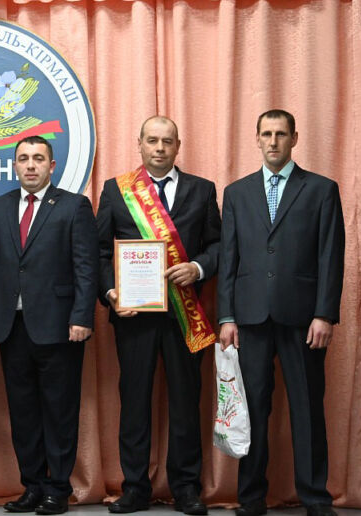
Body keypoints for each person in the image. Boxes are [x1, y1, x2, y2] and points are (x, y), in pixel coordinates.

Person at [218, 110, 344, 516]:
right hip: (250, 319)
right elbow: (229, 260)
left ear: (294, 138)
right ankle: (251, 497)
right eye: (267, 134)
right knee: (253, 409)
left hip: (304, 319)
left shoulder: (321, 190)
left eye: (281, 134)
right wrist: (226, 317)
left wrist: (324, 314)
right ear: (257, 139)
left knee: (307, 408)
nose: (273, 141)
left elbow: (330, 255)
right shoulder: (236, 193)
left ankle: (315, 497)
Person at [95, 116, 220, 515]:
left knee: (186, 401)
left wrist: (197, 267)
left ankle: (186, 488)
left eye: (167, 141)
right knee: (134, 403)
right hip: (134, 315)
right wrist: (111, 293)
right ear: (140, 144)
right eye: (152, 140)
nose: (160, 148)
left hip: (185, 314)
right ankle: (135, 488)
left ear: (178, 146)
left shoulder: (203, 190)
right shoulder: (115, 191)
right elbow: (99, 253)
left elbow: (219, 246)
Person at [0, 135, 98, 515]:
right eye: (23, 158)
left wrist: (81, 316)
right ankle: (32, 486)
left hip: (60, 328)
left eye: (38, 158)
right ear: (14, 165)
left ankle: (58, 489)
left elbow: (86, 267)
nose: (30, 165)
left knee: (59, 411)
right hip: (11, 327)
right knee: (23, 412)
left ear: (51, 165)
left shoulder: (74, 206)